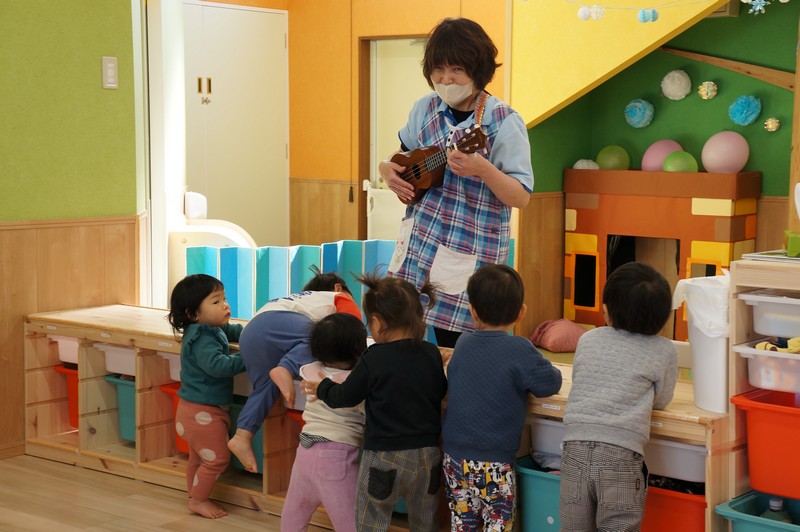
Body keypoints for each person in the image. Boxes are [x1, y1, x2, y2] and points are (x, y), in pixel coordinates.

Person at [379, 17, 533, 348]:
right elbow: (403, 155)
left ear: (478, 70)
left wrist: (483, 169)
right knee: (400, 335)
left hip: (469, 249)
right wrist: (385, 168)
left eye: (456, 70)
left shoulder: (503, 121)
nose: (446, 79)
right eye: (438, 69)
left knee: (457, 345)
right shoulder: (424, 108)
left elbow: (521, 197)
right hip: (419, 242)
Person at [303, 274, 448, 531]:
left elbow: (344, 397)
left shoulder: (374, 357)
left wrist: (322, 386)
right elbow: (440, 391)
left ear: (378, 322)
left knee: (372, 518)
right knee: (425, 519)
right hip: (427, 456)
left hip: (384, 456)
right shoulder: (431, 353)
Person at [441, 264, 562, 530]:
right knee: (498, 524)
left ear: (472, 310)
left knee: (462, 523)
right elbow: (550, 383)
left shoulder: (463, 343)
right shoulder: (520, 349)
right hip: (494, 462)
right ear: (521, 313)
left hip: (455, 458)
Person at [559, 262, 678, 531]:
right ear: (663, 317)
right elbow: (661, 401)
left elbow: (581, 379)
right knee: (619, 526)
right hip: (621, 455)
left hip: (574, 446)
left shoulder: (588, 339)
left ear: (606, 311)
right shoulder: (664, 350)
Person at [227, 268, 362, 473]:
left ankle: (242, 436)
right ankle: (285, 368)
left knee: (265, 389)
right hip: (273, 323)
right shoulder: (339, 297)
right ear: (338, 287)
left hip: (251, 333)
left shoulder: (297, 302)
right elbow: (351, 330)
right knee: (321, 337)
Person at [167, 273, 246, 519]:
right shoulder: (202, 338)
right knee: (217, 459)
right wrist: (248, 357)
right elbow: (218, 366)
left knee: (199, 458)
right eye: (216, 301)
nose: (225, 305)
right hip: (202, 413)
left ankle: (194, 495)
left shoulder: (209, 328)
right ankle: (199, 500)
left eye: (224, 299)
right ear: (193, 314)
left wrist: (251, 334)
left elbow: (230, 331)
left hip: (192, 410)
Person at [280, 312, 368, 532]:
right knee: (349, 519)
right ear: (358, 349)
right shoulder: (355, 382)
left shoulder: (311, 371)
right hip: (337, 454)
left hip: (305, 449)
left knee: (294, 512)